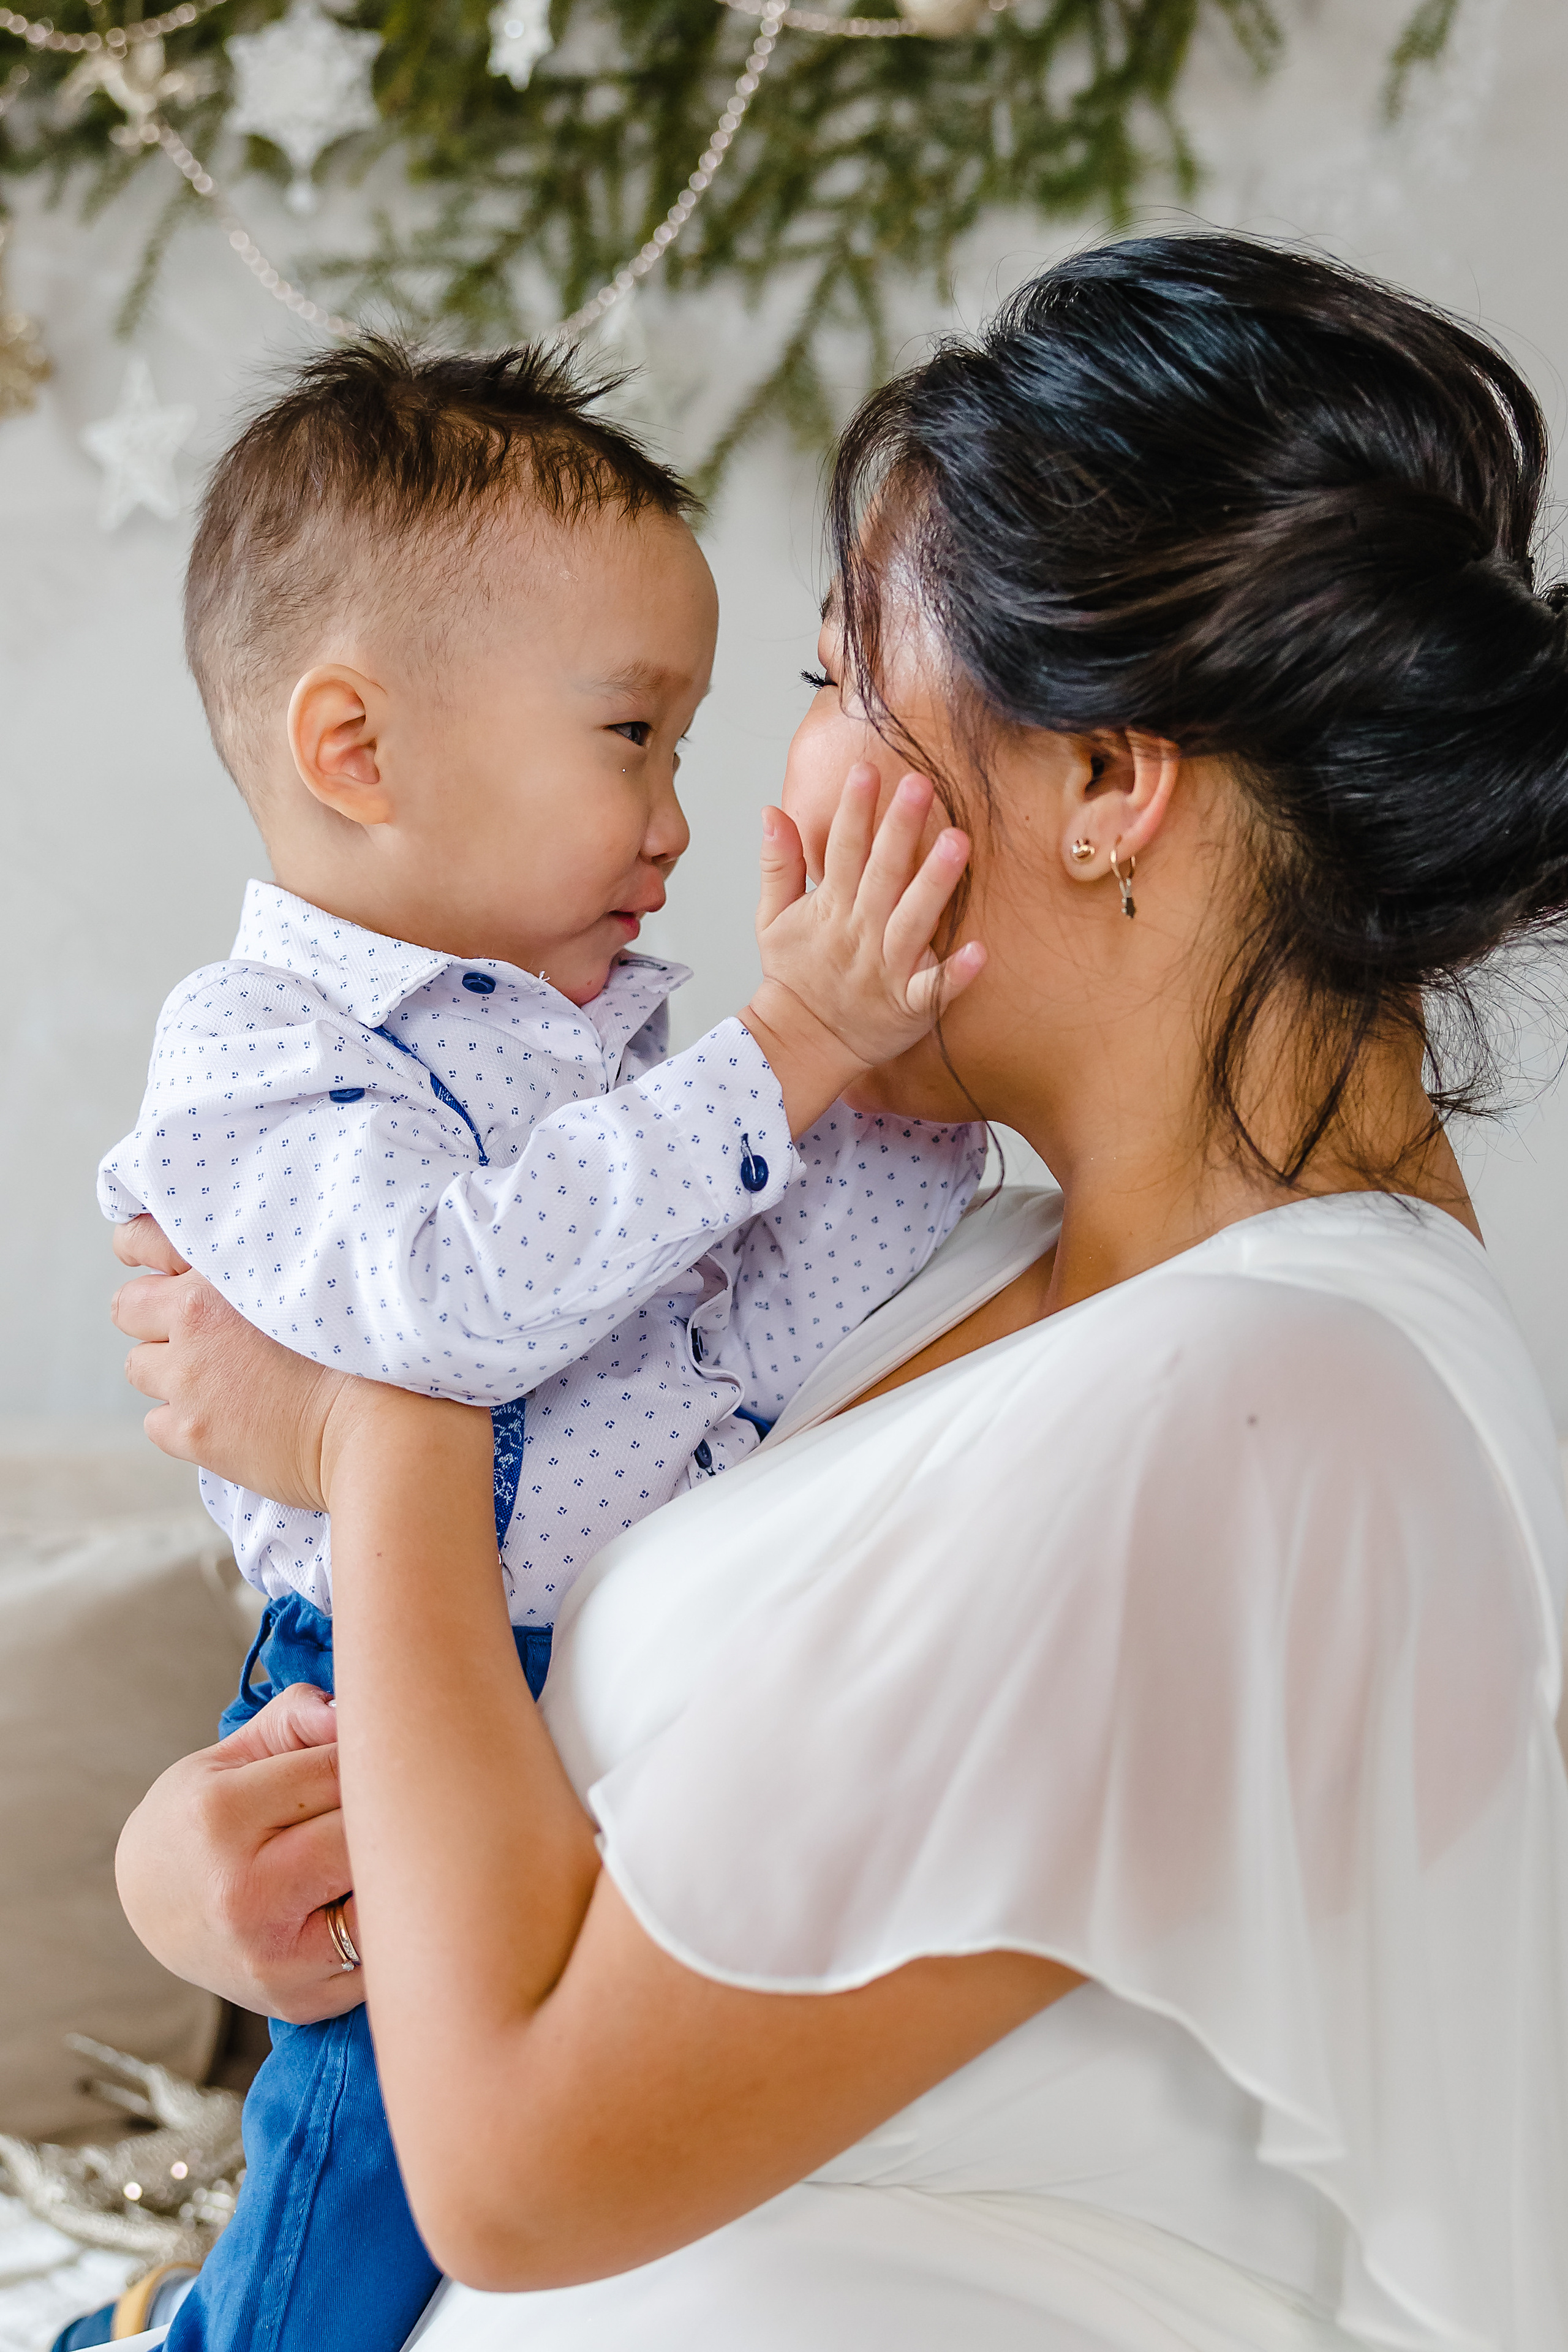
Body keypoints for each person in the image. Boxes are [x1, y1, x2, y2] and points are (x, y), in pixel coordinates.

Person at [112, 233, 1568, 2352]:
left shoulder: (1268, 1403)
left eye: (829, 692)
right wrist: (213, 1871)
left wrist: (380, 1422)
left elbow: (518, 2166)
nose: (741, 820)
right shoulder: (989, 1267)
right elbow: (554, 1833)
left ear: (1102, 785)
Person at [90, 341, 986, 2352]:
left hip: (599, 1688)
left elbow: (751, 1317)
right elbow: (447, 1308)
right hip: (398, 1687)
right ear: (355, 747)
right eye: (633, 735)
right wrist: (792, 1051)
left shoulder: (604, 1050)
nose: (676, 818)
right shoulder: (253, 1060)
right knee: (351, 2207)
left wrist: (900, 1096)